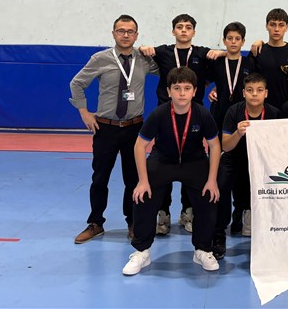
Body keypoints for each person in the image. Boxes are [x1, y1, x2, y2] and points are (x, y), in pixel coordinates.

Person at [122, 67, 221, 275]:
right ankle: (142, 251)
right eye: (177, 88)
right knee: (142, 195)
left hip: (194, 161)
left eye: (187, 88)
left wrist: (212, 180)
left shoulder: (203, 114)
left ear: (195, 91)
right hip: (163, 160)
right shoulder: (159, 114)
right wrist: (142, 181)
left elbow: (214, 146)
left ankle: (203, 250)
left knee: (209, 196)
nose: (182, 93)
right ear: (169, 91)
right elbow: (139, 145)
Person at [69, 14, 159, 244]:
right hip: (106, 128)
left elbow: (170, 70)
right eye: (121, 31)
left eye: (130, 31)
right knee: (100, 178)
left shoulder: (144, 59)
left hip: (134, 128)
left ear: (136, 35)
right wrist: (83, 112)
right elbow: (76, 84)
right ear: (113, 33)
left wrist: (152, 51)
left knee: (133, 178)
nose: (125, 35)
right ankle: (95, 223)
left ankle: (133, 222)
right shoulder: (100, 59)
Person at [140, 14, 224, 235]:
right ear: (173, 31)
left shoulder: (202, 54)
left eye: (188, 27)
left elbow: (228, 60)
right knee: (164, 160)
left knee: (192, 161)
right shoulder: (163, 52)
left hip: (194, 115)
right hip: (166, 115)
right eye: (179, 27)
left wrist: (221, 52)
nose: (184, 30)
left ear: (194, 32)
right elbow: (141, 51)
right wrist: (144, 48)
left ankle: (188, 211)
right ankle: (163, 212)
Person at [212, 73, 280, 259]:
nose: (254, 94)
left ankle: (269, 231)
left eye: (259, 90)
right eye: (250, 90)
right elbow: (225, 146)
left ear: (266, 93)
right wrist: (238, 133)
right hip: (234, 158)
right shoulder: (234, 111)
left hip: (262, 160)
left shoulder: (274, 113)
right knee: (221, 186)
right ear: (243, 93)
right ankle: (219, 235)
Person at [207, 21, 256, 234]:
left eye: (237, 39)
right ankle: (219, 217)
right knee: (222, 170)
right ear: (224, 40)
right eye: (229, 38)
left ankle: (241, 211)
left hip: (243, 120)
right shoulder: (217, 62)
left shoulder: (250, 63)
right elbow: (203, 80)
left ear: (243, 41)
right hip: (220, 120)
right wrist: (211, 90)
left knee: (244, 170)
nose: (233, 42)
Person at [249, 8, 288, 109]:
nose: (276, 29)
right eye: (272, 24)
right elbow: (248, 79)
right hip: (263, 106)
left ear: (286, 27)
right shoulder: (258, 50)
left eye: (281, 25)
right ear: (266, 26)